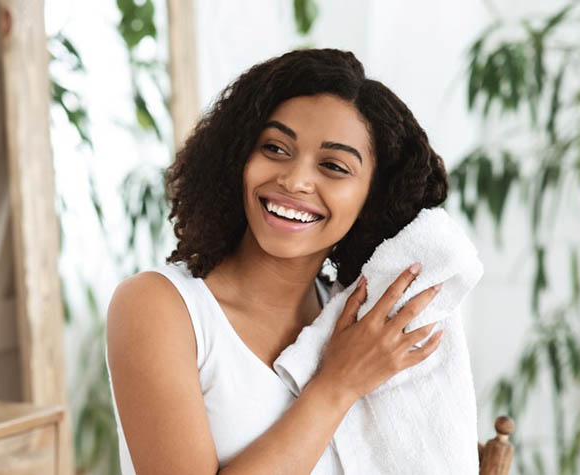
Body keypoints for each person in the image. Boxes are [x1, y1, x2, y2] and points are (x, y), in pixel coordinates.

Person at [105, 48, 449, 474]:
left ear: (373, 199)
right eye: (275, 148)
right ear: (237, 157)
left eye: (334, 166)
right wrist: (336, 386)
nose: (295, 180)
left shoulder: (353, 321)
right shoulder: (160, 308)